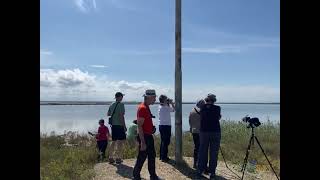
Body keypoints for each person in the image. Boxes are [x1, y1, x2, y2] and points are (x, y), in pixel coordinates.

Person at [133, 89, 162, 180]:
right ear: (149, 97)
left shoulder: (146, 106)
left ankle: (153, 176)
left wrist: (151, 128)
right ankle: (136, 176)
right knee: (142, 157)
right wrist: (142, 142)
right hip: (145, 137)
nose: (155, 99)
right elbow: (139, 126)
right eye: (154, 97)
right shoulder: (142, 108)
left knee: (151, 156)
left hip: (148, 135)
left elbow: (144, 123)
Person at [197, 94, 222, 179]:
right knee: (214, 153)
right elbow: (218, 117)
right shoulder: (218, 108)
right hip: (215, 132)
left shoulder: (202, 107)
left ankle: (200, 170)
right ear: (214, 100)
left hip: (204, 132)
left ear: (206, 100)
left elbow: (201, 113)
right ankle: (212, 172)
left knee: (202, 151)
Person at [107, 92, 127, 164]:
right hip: (119, 125)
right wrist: (124, 126)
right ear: (119, 97)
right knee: (120, 142)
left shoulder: (111, 104)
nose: (122, 98)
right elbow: (121, 116)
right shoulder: (121, 105)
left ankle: (110, 157)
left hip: (113, 125)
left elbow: (108, 114)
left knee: (113, 141)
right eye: (122, 96)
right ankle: (118, 158)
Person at [189, 99, 205, 168]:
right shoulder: (202, 111)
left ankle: (195, 163)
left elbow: (190, 121)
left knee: (196, 147)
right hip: (201, 132)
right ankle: (201, 164)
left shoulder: (192, 111)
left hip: (194, 131)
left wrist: (191, 128)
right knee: (202, 148)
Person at [158, 94, 175, 162]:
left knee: (163, 141)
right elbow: (174, 109)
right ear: (164, 100)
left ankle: (161, 156)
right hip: (166, 126)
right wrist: (171, 103)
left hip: (161, 125)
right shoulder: (166, 107)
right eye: (166, 99)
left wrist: (168, 102)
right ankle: (164, 157)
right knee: (166, 142)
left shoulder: (159, 106)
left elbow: (165, 105)